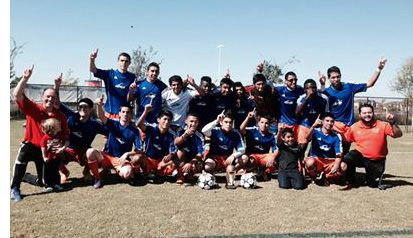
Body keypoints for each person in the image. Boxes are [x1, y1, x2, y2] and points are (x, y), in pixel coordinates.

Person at [11, 65, 69, 202]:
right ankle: (15, 188)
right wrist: (25, 79)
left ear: (56, 100)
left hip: (46, 149)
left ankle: (26, 177)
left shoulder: (60, 115)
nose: (49, 100)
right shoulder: (34, 108)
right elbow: (17, 95)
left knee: (44, 182)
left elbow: (65, 135)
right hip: (31, 144)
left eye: (52, 98)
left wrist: (62, 147)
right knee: (22, 155)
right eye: (47, 97)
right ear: (42, 97)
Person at [321, 58, 387, 153]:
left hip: (348, 126)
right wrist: (322, 85)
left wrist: (379, 69)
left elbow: (370, 84)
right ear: (329, 78)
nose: (336, 79)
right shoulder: (327, 91)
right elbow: (319, 96)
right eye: (333, 77)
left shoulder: (349, 87)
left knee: (344, 153)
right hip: (334, 126)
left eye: (338, 77)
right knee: (333, 153)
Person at [54, 76, 109, 183]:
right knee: (54, 152)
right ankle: (64, 172)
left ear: (90, 109)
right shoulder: (71, 116)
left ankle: (86, 171)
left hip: (83, 152)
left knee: (93, 153)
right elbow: (57, 103)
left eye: (85, 107)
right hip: (68, 149)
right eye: (80, 107)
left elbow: (110, 133)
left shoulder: (94, 124)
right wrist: (57, 86)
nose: (82, 109)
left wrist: (106, 148)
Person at [86, 96, 144, 189]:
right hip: (107, 156)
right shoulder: (113, 124)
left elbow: (139, 150)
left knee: (127, 174)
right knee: (90, 152)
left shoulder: (135, 131)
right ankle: (98, 179)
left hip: (120, 159)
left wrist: (127, 154)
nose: (125, 114)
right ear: (119, 114)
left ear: (131, 115)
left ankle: (117, 171)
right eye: (123, 112)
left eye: (128, 112)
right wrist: (99, 105)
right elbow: (102, 117)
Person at [343, 104, 403, 190]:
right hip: (361, 157)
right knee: (348, 158)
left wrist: (393, 123)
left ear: (373, 113)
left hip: (377, 160)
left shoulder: (383, 125)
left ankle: (370, 179)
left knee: (372, 184)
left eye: (369, 112)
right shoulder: (354, 127)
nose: (367, 115)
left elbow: (398, 135)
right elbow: (346, 139)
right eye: (364, 113)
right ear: (360, 115)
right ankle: (351, 182)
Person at [202, 110, 247, 189]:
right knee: (208, 165)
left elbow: (242, 149)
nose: (228, 124)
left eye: (230, 122)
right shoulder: (215, 131)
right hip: (215, 158)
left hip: (227, 158)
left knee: (244, 158)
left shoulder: (235, 133)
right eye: (226, 122)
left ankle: (230, 175)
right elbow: (204, 131)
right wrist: (216, 121)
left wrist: (233, 155)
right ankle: (211, 176)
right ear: (221, 122)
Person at [90, 49, 136, 119]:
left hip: (124, 115)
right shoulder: (110, 74)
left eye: (126, 61)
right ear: (118, 62)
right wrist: (92, 59)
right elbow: (93, 70)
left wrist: (131, 91)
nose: (124, 63)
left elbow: (130, 99)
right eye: (122, 61)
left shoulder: (132, 77)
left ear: (129, 63)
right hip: (110, 114)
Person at [136, 104, 178, 183]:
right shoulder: (151, 129)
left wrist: (169, 155)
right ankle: (139, 174)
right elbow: (139, 125)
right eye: (164, 119)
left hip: (160, 161)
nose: (166, 122)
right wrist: (145, 111)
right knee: (137, 158)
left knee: (175, 161)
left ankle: (159, 173)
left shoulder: (171, 134)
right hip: (148, 159)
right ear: (158, 120)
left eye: (169, 120)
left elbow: (173, 151)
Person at [304, 113, 346, 186]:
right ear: (322, 122)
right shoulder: (315, 131)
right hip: (317, 160)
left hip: (329, 161)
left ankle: (327, 177)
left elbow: (339, 154)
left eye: (332, 121)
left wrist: (336, 165)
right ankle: (314, 177)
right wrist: (313, 125)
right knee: (309, 162)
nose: (329, 123)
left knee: (343, 166)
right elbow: (307, 138)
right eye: (327, 120)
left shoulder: (336, 135)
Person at [240, 111, 277, 181]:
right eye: (262, 122)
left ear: (269, 125)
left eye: (266, 123)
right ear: (258, 123)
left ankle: (264, 171)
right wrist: (248, 118)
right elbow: (242, 129)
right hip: (252, 156)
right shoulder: (252, 131)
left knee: (273, 162)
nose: (264, 125)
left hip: (263, 156)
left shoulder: (271, 135)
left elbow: (276, 149)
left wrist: (273, 157)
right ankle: (250, 171)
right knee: (250, 161)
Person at [296, 79, 329, 147]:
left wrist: (321, 123)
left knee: (318, 147)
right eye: (308, 88)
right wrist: (307, 99)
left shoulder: (324, 98)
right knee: (302, 147)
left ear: (316, 88)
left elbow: (326, 113)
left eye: (313, 87)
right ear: (304, 90)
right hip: (305, 124)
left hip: (318, 125)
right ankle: (301, 157)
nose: (311, 90)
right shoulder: (301, 98)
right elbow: (297, 112)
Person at [174, 113, 205, 184]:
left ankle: (190, 174)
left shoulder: (199, 135)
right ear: (186, 121)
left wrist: (191, 163)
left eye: (196, 122)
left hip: (192, 159)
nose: (193, 124)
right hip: (180, 158)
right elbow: (176, 143)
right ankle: (180, 175)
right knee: (180, 152)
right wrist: (185, 135)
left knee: (200, 165)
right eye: (191, 121)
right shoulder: (180, 131)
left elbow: (200, 153)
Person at [40, 118, 68, 192]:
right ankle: (48, 185)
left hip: (56, 157)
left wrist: (62, 148)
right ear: (53, 128)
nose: (59, 125)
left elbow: (67, 141)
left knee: (56, 171)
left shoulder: (59, 135)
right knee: (48, 172)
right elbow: (43, 148)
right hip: (48, 158)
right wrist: (44, 156)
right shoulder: (45, 137)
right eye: (57, 125)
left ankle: (57, 184)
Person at [273, 71, 305, 138]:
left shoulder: (300, 90)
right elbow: (268, 84)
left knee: (295, 145)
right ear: (286, 81)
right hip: (283, 123)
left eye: (295, 80)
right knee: (281, 145)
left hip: (296, 123)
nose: (294, 82)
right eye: (291, 80)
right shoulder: (281, 89)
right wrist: (260, 72)